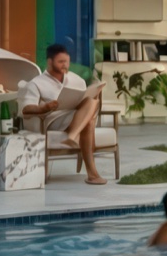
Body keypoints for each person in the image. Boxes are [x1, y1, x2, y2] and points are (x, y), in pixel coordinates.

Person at [18, 43, 110, 185]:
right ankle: (92, 174)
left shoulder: (76, 80)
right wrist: (44, 108)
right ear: (50, 62)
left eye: (67, 61)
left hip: (74, 116)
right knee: (89, 119)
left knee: (91, 104)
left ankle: (73, 136)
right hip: (53, 120)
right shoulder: (36, 83)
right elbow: (26, 109)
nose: (65, 65)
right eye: (61, 62)